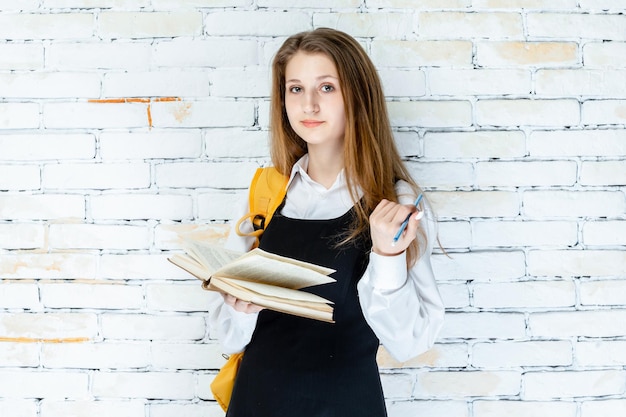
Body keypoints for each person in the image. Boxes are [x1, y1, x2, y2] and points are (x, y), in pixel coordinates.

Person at [208, 27, 445, 417]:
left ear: (358, 95)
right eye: (296, 89)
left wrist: (387, 254)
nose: (309, 106)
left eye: (327, 88)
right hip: (256, 404)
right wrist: (240, 308)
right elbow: (227, 337)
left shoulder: (395, 204)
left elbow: (409, 342)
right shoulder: (264, 195)